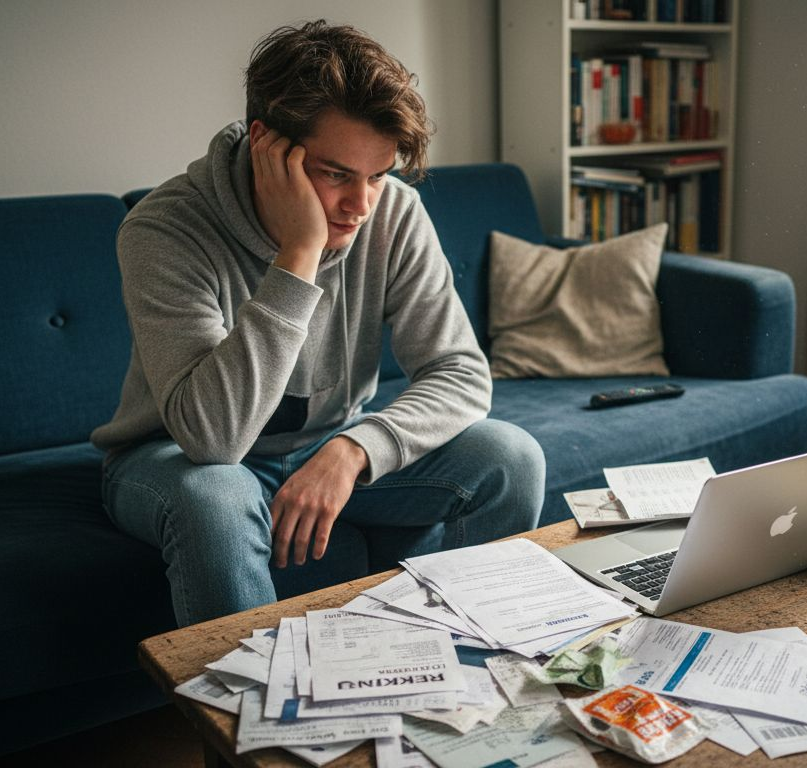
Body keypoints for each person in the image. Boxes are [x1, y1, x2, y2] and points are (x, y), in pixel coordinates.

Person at [91, 20, 545, 627]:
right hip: (172, 458)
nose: (359, 206)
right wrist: (299, 255)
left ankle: (467, 670)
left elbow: (460, 372)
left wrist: (354, 449)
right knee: (218, 498)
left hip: (328, 444)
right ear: (266, 146)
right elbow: (212, 440)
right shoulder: (164, 229)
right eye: (335, 174)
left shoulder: (391, 212)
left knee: (510, 455)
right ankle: (249, 714)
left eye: (378, 175)